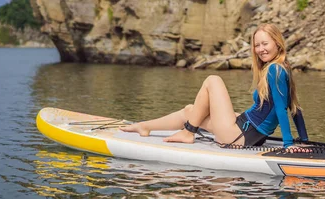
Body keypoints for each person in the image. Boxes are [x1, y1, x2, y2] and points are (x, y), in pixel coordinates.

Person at [120, 23, 308, 149]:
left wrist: (288, 144)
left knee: (213, 80)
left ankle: (187, 133)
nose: (260, 49)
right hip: (247, 129)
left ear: (277, 43)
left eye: (265, 43)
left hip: (241, 136)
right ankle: (144, 127)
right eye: (257, 45)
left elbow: (285, 109)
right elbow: (296, 108)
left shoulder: (275, 70)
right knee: (191, 111)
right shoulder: (283, 68)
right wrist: (304, 140)